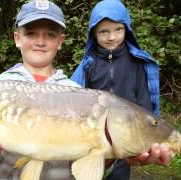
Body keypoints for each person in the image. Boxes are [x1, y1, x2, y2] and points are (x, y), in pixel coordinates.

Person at [0, 0, 81, 179]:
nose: (40, 42)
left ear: (60, 41)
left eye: (50, 35)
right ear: (17, 38)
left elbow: (91, 166)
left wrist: (112, 157)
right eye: (31, 33)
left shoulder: (77, 94)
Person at [70, 0, 172, 179]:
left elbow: (144, 103)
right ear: (94, 34)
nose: (112, 37)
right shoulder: (89, 64)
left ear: (127, 30)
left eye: (118, 29)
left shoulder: (137, 64)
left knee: (119, 174)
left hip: (125, 137)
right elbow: (71, 98)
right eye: (104, 31)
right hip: (94, 137)